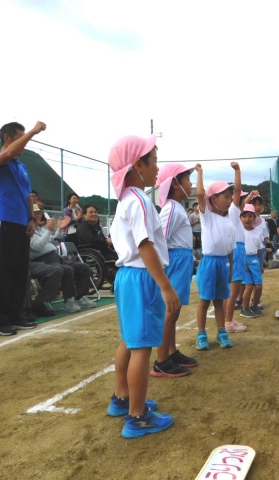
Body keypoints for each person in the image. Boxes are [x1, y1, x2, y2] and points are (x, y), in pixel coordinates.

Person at [106, 134, 176, 438]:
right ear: (138, 165)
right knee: (142, 347)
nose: (158, 169)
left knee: (129, 340)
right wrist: (165, 286)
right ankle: (138, 416)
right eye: (155, 161)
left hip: (126, 277)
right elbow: (146, 246)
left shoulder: (125, 202)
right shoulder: (140, 202)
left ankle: (123, 398)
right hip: (143, 277)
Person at [0, 121, 45, 335]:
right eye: (21, 138)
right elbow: (8, 153)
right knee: (3, 271)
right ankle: (0, 320)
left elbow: (28, 195)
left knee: (20, 272)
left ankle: (17, 314)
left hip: (21, 223)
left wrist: (31, 219)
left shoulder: (21, 166)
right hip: (2, 220)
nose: (25, 144)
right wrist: (33, 131)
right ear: (8, 138)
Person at [153, 163, 199, 377]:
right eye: (187, 179)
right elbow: (159, 239)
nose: (190, 183)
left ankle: (170, 352)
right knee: (170, 310)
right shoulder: (171, 208)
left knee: (175, 310)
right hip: (175, 260)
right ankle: (161, 360)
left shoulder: (178, 207)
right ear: (174, 184)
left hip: (182, 259)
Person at [194, 163, 236, 350]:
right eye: (225, 197)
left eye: (230, 197)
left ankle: (221, 332)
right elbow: (200, 195)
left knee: (219, 301)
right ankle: (201, 334)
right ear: (214, 199)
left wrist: (231, 268)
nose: (229, 200)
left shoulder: (228, 222)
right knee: (204, 300)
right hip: (209, 263)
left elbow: (230, 250)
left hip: (223, 264)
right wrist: (200, 173)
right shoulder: (207, 216)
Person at [30, 204, 96, 313]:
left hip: (55, 257)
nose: (38, 215)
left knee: (83, 267)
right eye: (35, 213)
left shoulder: (39, 229)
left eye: (39, 213)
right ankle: (68, 300)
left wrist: (60, 229)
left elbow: (55, 239)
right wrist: (48, 230)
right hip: (43, 260)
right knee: (66, 269)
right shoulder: (29, 229)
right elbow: (37, 246)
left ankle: (80, 297)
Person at [224, 186, 253, 332]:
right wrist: (237, 171)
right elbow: (237, 201)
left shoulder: (233, 213)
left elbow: (240, 204)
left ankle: (228, 318)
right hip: (237, 249)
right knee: (233, 290)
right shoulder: (233, 211)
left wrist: (248, 197)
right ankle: (228, 321)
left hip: (236, 249)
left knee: (232, 289)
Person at [239, 204, 264, 317]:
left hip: (254, 260)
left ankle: (255, 305)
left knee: (258, 286)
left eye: (250, 216)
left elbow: (259, 249)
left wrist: (261, 264)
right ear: (240, 218)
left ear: (254, 218)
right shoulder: (239, 232)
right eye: (244, 216)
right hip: (243, 260)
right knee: (248, 286)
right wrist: (241, 262)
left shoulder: (257, 232)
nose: (247, 219)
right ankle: (245, 308)